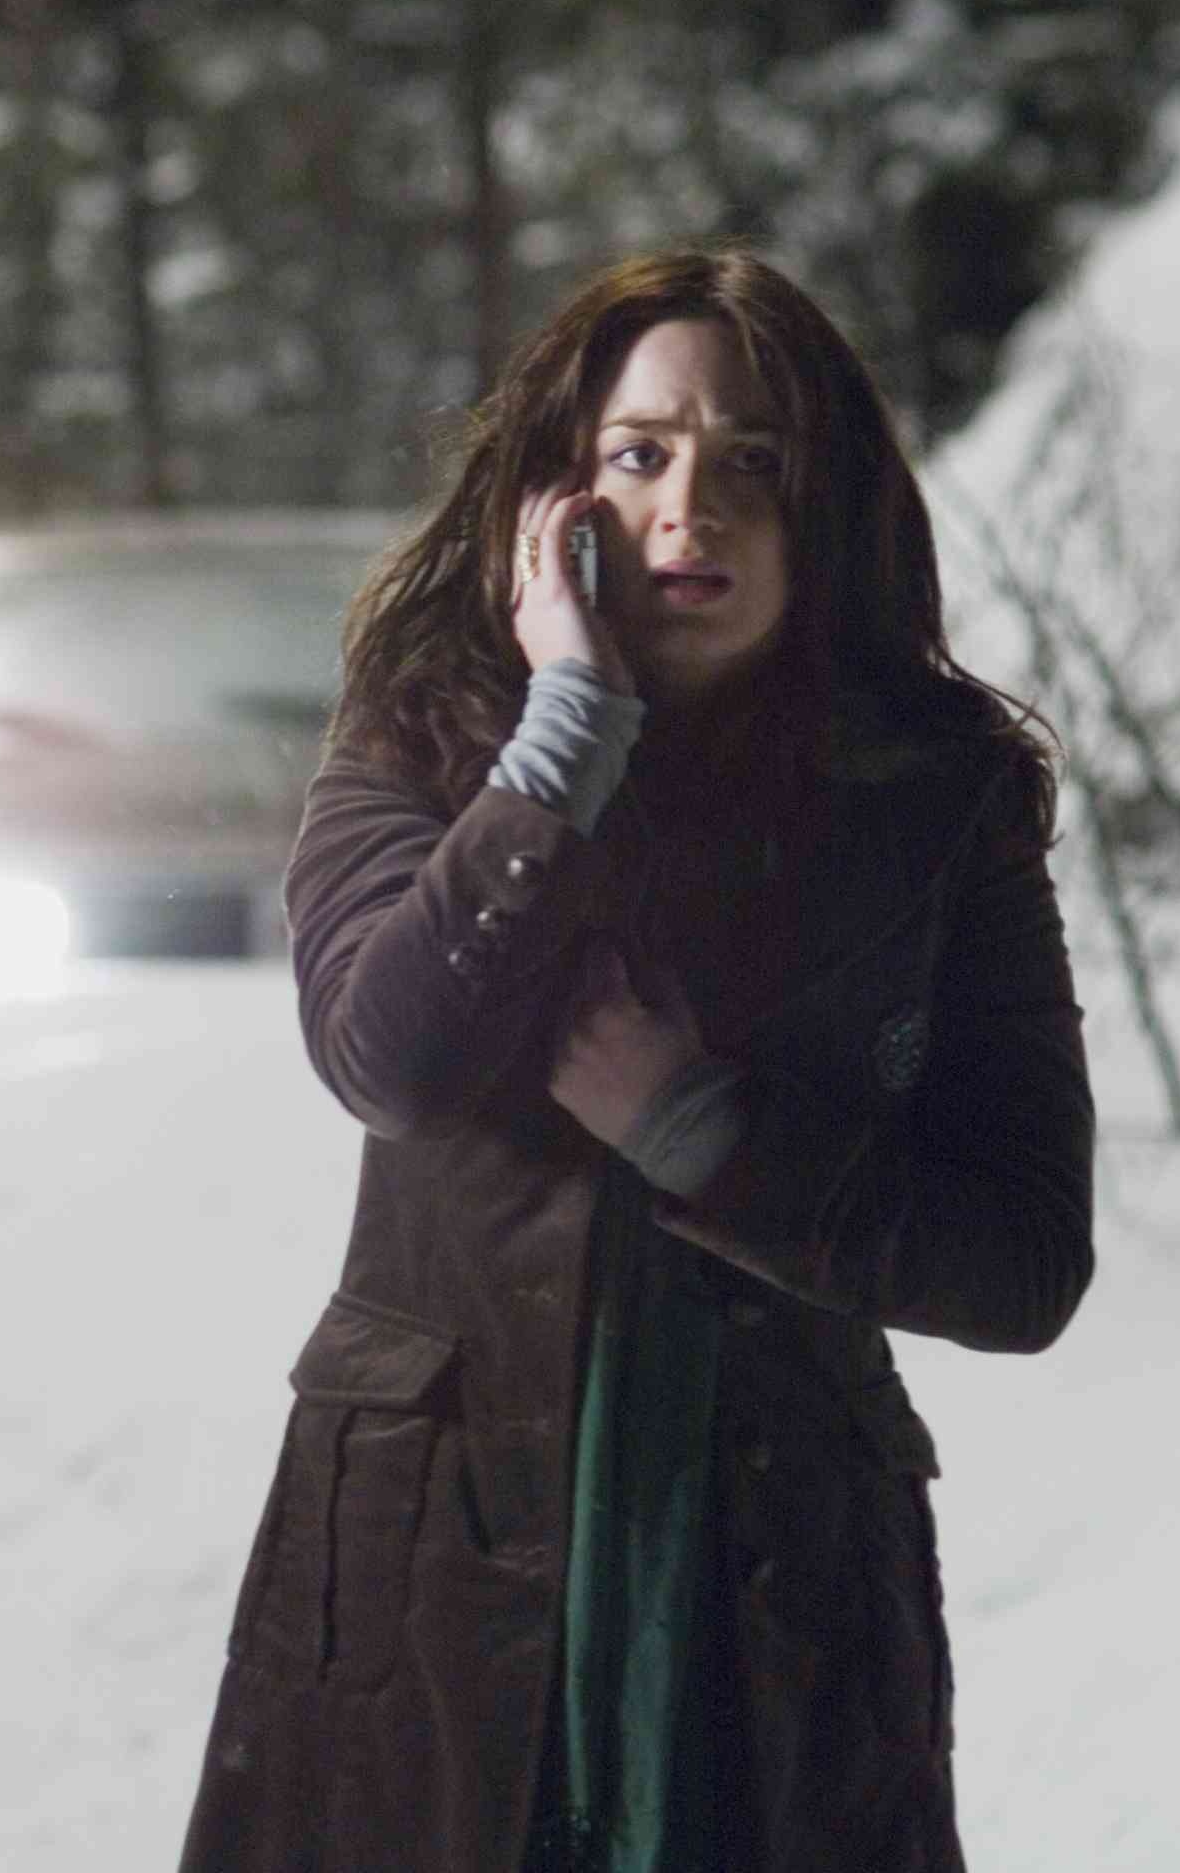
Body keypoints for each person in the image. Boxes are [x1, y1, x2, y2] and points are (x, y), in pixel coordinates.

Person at [178, 248, 1093, 1872]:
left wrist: (701, 1132)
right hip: (429, 1565)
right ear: (561, 497)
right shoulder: (427, 729)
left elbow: (1023, 1261)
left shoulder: (938, 798)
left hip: (777, 1580)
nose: (692, 511)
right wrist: (566, 731)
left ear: (828, 506)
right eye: (642, 451)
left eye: (756, 462)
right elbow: (386, 1059)